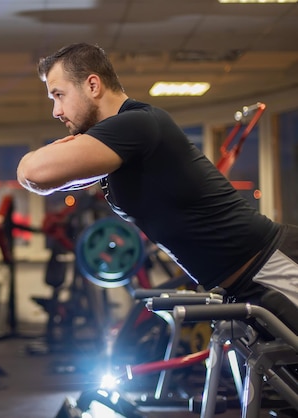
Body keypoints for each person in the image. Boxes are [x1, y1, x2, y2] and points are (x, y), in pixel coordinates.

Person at [16, 42, 298, 324]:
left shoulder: (137, 124)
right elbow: (39, 180)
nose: (56, 110)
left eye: (59, 95)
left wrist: (52, 157)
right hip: (241, 284)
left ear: (92, 85)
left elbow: (33, 172)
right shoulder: (117, 150)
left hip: (273, 266)